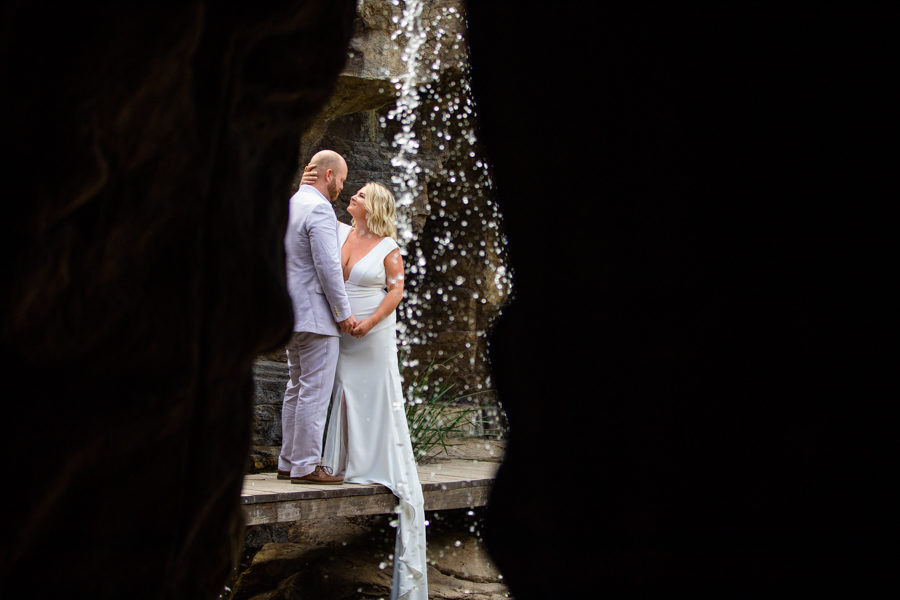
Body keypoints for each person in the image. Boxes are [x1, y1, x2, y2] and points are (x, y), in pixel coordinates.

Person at [301, 167, 428, 599]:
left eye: (358, 194)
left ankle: (376, 460)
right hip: (340, 328)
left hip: (371, 332)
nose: (350, 197)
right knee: (340, 390)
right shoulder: (337, 232)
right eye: (351, 191)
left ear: (372, 205)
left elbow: (395, 291)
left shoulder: (389, 246)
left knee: (374, 391)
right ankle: (344, 460)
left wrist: (371, 323)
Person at [278, 150, 358, 485]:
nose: (342, 187)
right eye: (341, 179)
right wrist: (343, 313)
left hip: (289, 315)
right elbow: (328, 268)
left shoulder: (291, 204)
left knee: (296, 388)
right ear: (327, 175)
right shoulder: (321, 209)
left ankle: (287, 462)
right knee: (314, 389)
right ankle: (307, 465)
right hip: (315, 316)